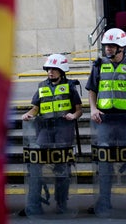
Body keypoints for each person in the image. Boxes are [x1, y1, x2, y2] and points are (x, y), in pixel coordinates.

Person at [85, 27, 126, 215]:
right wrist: (92, 108)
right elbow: (92, 89)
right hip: (104, 120)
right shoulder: (98, 65)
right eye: (106, 45)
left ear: (121, 47)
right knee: (104, 163)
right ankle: (103, 202)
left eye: (112, 46)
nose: (107, 49)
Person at [20, 54, 83, 216]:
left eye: (54, 69)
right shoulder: (41, 86)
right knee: (36, 165)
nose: (50, 72)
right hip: (45, 130)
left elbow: (78, 110)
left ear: (62, 71)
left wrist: (73, 116)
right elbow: (36, 108)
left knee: (62, 168)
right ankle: (34, 203)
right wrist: (29, 114)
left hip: (63, 129)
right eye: (49, 69)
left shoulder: (70, 87)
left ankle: (61, 203)